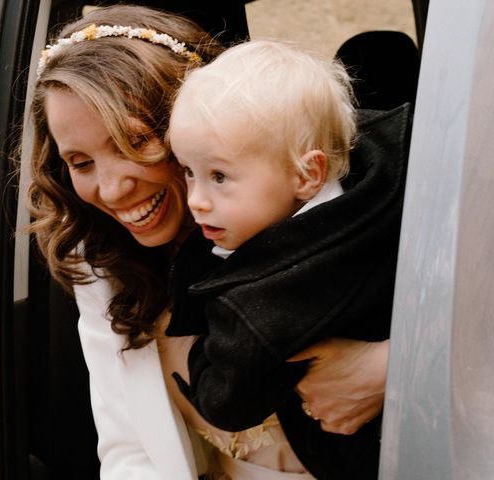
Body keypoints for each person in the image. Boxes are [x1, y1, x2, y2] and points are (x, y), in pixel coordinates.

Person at [26, 5, 395, 479]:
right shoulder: (104, 263)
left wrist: (393, 370)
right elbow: (130, 449)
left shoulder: (341, 197)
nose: (113, 188)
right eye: (80, 162)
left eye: (133, 143)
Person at [166, 39, 412, 479]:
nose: (197, 201)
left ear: (307, 174)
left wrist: (200, 355)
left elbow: (225, 404)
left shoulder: (261, 309)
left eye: (219, 176)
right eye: (189, 171)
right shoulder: (398, 166)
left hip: (361, 457)